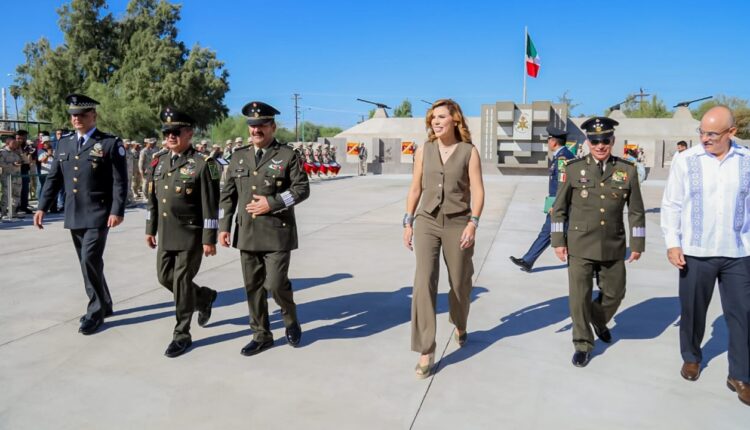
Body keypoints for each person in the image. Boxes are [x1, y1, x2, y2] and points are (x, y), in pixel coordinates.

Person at [661, 106, 750, 406]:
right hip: (696, 252)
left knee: (743, 315)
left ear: (732, 133)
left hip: (738, 252)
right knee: (693, 310)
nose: (704, 139)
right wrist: (673, 243)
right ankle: (691, 356)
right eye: (701, 132)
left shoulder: (747, 160)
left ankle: (739, 374)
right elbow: (672, 203)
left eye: (712, 134)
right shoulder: (686, 161)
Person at [551, 116, 645, 367]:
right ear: (587, 141)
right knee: (578, 296)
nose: (600, 145)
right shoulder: (573, 169)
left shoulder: (627, 170)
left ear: (612, 141)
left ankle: (598, 318)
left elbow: (636, 211)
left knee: (615, 293)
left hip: (613, 243)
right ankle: (583, 343)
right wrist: (558, 240)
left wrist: (637, 244)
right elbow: (559, 209)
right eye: (595, 141)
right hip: (580, 243)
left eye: (605, 140)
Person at [218, 101, 310, 357]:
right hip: (246, 232)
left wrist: (272, 203)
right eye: (252, 125)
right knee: (253, 286)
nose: (256, 130)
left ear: (272, 126)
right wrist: (224, 226)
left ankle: (290, 320)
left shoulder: (288, 155)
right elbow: (228, 195)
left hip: (277, 232)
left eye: (261, 125)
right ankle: (261, 335)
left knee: (276, 283)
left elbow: (302, 190)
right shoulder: (238, 156)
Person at [403, 99, 485, 378]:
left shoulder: (468, 152)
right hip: (426, 221)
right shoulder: (424, 150)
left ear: (455, 120)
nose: (435, 122)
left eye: (441, 117)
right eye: (432, 118)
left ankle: (460, 322)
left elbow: (478, 190)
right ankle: (426, 348)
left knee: (460, 282)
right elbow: (415, 188)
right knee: (423, 280)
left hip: (458, 222)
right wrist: (408, 221)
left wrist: (473, 223)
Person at [34, 94, 128, 335]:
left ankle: (95, 312)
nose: (76, 118)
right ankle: (104, 303)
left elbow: (120, 181)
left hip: (99, 212)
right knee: (88, 262)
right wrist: (42, 206)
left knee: (89, 259)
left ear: (93, 116)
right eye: (73, 115)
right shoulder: (64, 143)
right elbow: (54, 178)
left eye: (82, 114)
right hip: (74, 212)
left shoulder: (108, 143)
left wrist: (117, 210)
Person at [146, 108, 220, 357]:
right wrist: (150, 228)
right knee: (164, 278)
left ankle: (182, 334)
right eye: (166, 131)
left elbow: (211, 205)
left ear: (189, 133)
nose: (170, 136)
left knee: (180, 281)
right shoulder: (159, 161)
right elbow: (152, 200)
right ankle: (203, 297)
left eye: (176, 131)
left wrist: (209, 239)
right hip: (166, 232)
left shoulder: (204, 164)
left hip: (191, 235)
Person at [510, 125, 575, 272]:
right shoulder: (561, 156)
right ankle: (528, 260)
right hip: (557, 203)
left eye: (549, 139)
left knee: (567, 235)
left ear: (553, 142)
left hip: (561, 204)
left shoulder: (563, 158)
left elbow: (562, 184)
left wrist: (557, 205)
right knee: (547, 232)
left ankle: (589, 266)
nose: (548, 143)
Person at [0, 136, 22, 220]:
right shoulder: (3, 152)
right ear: (7, 143)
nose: (15, 145)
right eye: (13, 143)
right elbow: (1, 163)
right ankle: (3, 212)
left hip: (17, 176)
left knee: (16, 195)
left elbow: (23, 161)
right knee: (6, 195)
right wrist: (12, 164)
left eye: (15, 143)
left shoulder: (17, 151)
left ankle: (12, 212)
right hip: (7, 176)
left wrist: (21, 156)